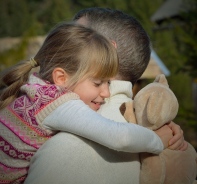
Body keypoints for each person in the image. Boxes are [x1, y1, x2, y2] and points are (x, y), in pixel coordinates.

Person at [24, 8, 186, 184]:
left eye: (77, 36)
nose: (62, 44)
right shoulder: (158, 131)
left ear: (107, 49)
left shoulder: (64, 149)